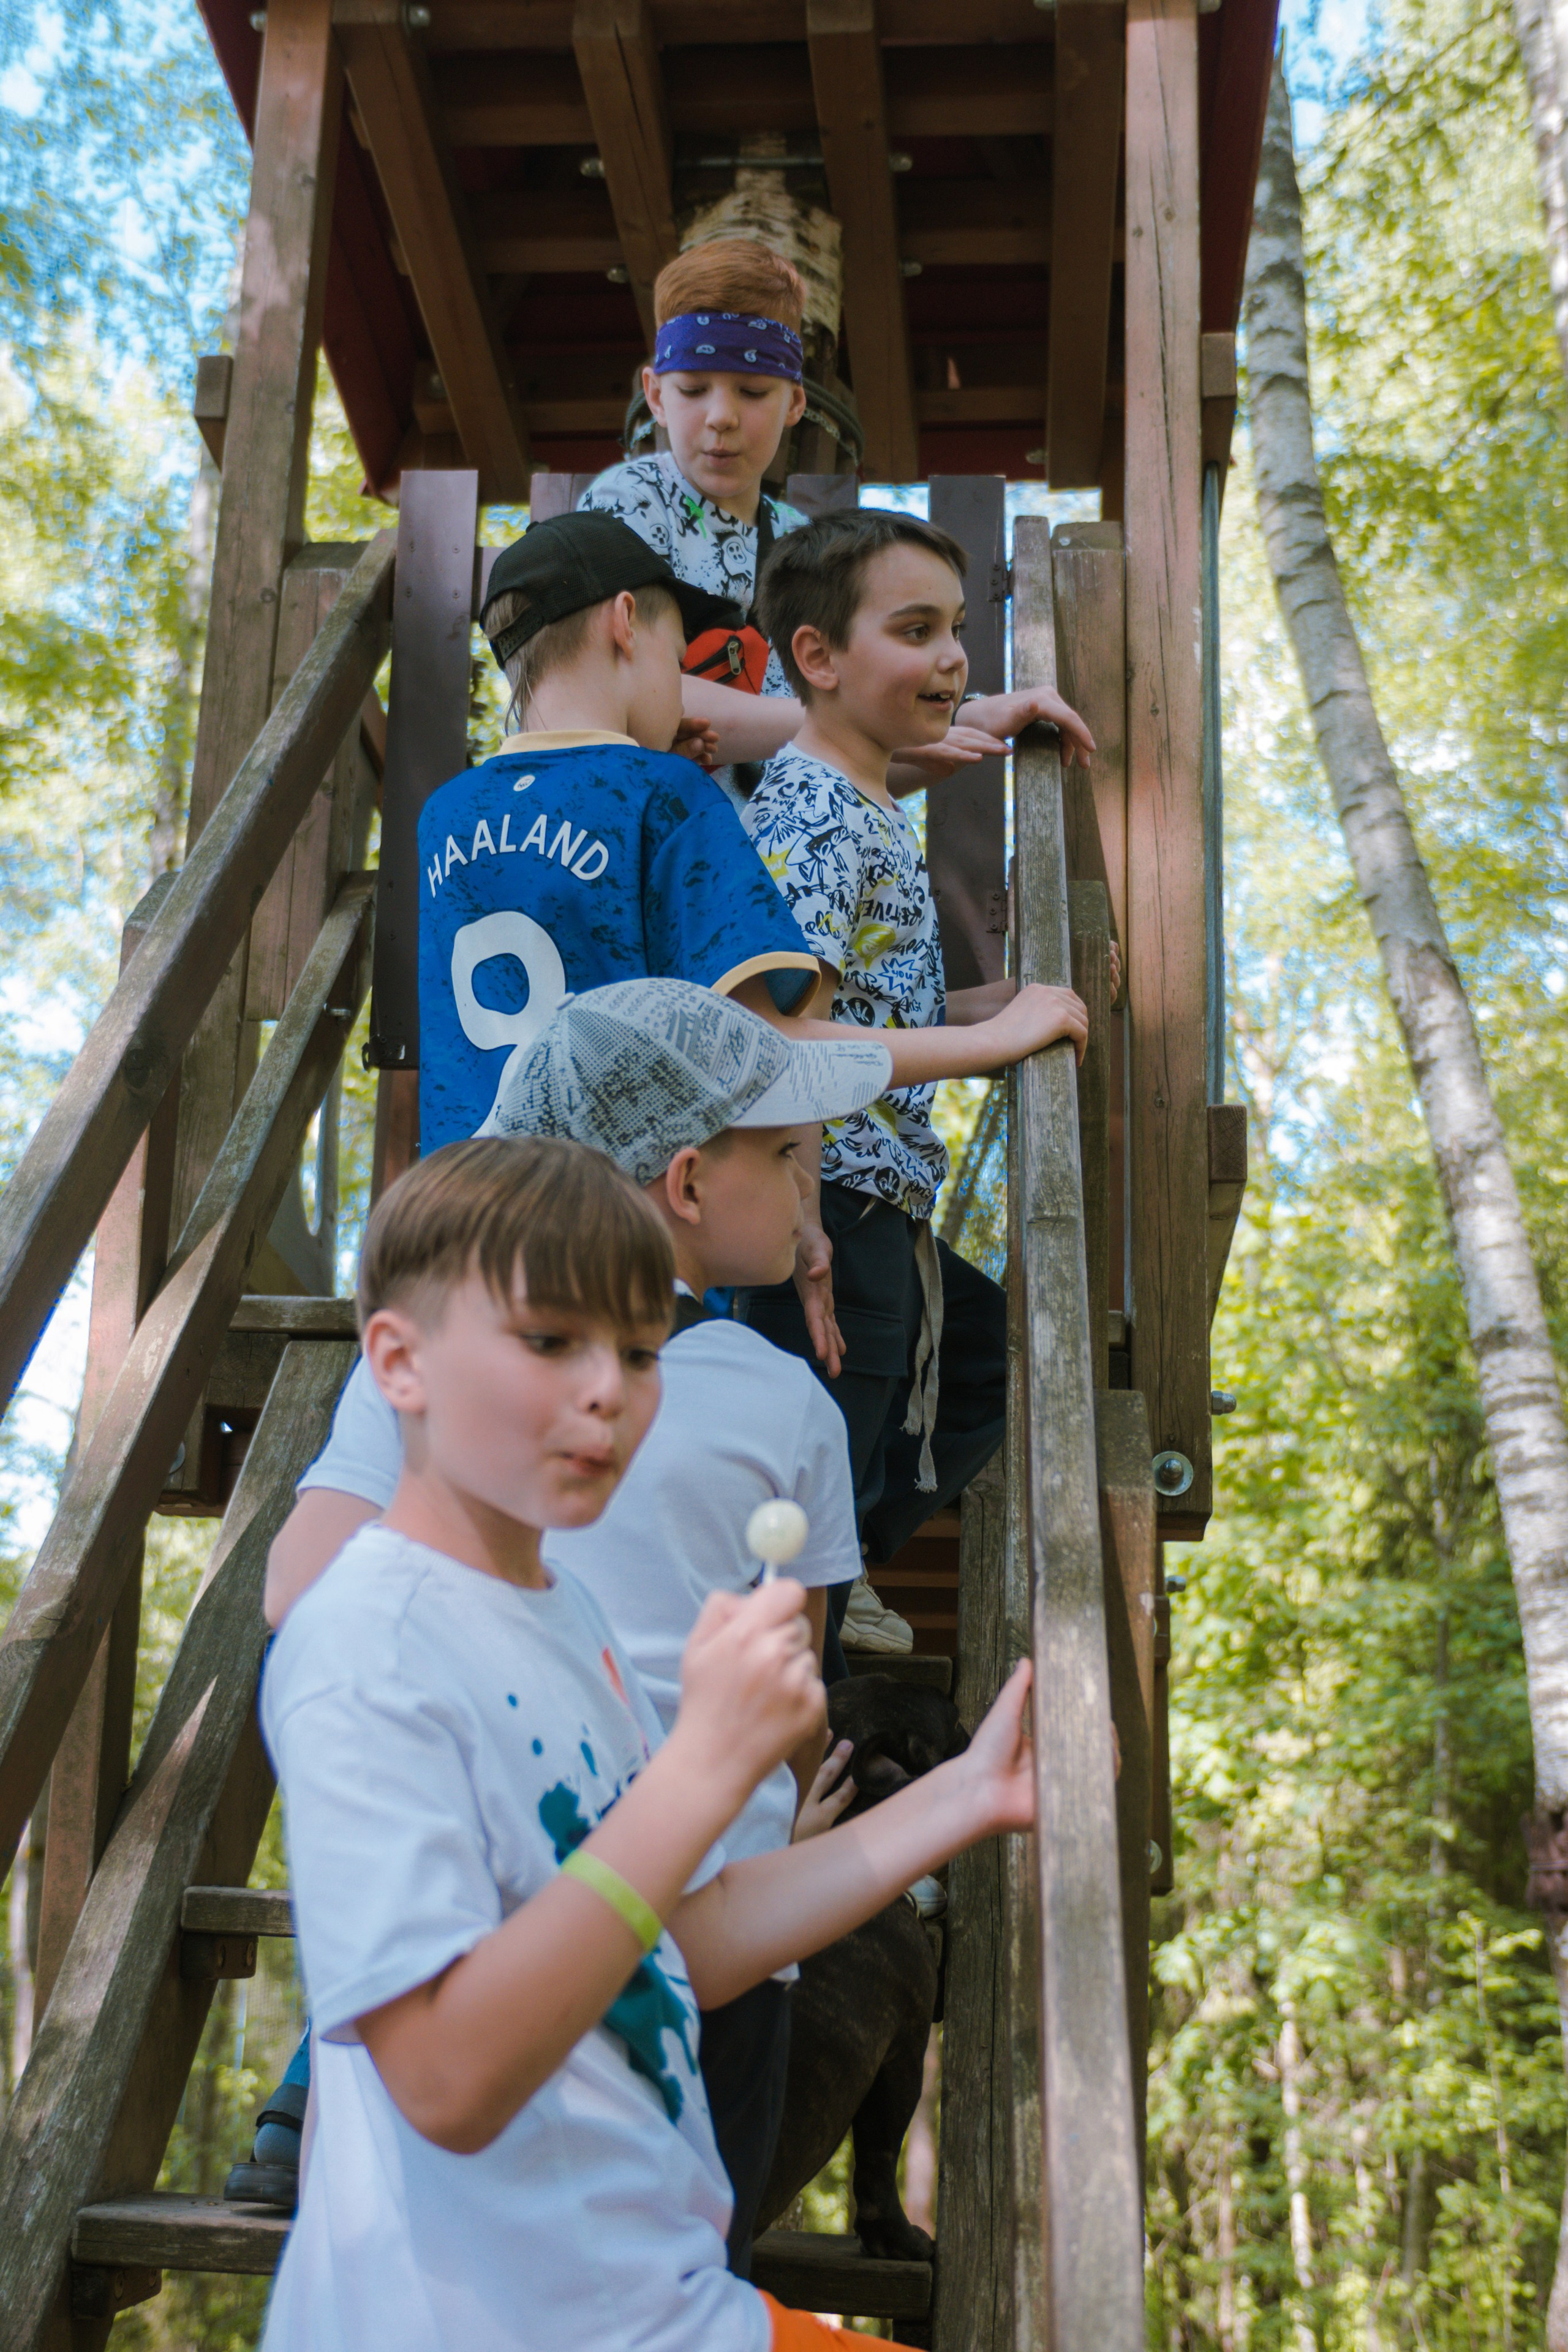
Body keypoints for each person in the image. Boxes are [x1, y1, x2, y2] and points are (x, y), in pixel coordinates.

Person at [257, 1131, 1038, 2352]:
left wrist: (963, 1798)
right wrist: (700, 1772)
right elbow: (447, 2082)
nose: (606, 1391)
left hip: (660, 2306)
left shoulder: (559, 1620)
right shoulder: (362, 1644)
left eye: (639, 1349)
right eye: (549, 1340)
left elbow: (685, 1945)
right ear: (397, 1363)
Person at [253, 982, 886, 2264]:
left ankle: (304, 2093)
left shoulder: (454, 1371)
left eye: (633, 1363)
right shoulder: (785, 1407)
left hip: (592, 1911)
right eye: (788, 1158)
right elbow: (785, 1687)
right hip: (663, 1918)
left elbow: (298, 1593)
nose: (809, 1190)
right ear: (691, 1182)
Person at [739, 508, 1114, 1652]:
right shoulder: (813, 821)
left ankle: (830, 1568)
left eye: (957, 628)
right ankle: (804, 1606)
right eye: (915, 630)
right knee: (833, 1443)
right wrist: (998, 1044)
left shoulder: (868, 807)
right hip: (827, 1197)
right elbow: (783, 1044)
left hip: (877, 1195)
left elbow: (854, 1011)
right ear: (818, 658)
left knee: (986, 1359)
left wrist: (985, 1009)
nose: (953, 657)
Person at [577, 236, 1097, 804]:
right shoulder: (629, 504)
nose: (721, 417)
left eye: (752, 392)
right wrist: (864, 724)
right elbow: (628, 696)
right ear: (655, 394)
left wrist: (975, 719)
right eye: (694, 389)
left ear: (796, 404)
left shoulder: (798, 541)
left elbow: (852, 762)